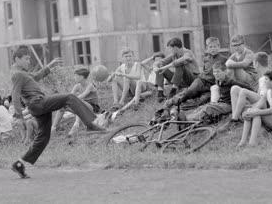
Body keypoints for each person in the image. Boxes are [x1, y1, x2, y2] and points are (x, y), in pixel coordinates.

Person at [9, 45, 105, 179]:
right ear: (17, 59)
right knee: (69, 97)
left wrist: (50, 66)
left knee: (43, 138)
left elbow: (36, 76)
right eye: (26, 59)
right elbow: (15, 94)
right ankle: (90, 124)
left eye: (29, 59)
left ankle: (19, 164)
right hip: (37, 103)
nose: (28, 61)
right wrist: (18, 116)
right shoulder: (18, 74)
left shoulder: (23, 73)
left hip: (38, 105)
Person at [179, 62, 252, 124]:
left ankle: (187, 120)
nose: (216, 74)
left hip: (228, 105)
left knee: (209, 108)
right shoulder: (218, 81)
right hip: (221, 102)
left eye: (218, 71)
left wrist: (252, 93)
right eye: (214, 72)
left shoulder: (230, 82)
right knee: (203, 107)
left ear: (225, 71)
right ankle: (185, 118)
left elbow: (246, 87)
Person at [164, 37, 228, 108]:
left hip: (211, 85)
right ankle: (171, 101)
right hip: (201, 81)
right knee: (189, 92)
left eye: (215, 46)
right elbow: (204, 71)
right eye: (210, 47)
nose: (213, 49)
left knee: (202, 100)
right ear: (207, 48)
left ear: (219, 47)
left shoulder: (224, 59)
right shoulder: (206, 58)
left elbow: (226, 74)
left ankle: (183, 106)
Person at [238, 70, 272, 147]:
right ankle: (242, 142)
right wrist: (248, 111)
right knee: (251, 112)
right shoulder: (268, 92)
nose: (264, 81)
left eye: (266, 79)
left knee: (256, 113)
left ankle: (252, 143)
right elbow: (258, 104)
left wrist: (255, 112)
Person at [52, 67, 102, 137]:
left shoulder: (90, 85)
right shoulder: (77, 86)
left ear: (81, 77)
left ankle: (76, 124)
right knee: (62, 107)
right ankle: (54, 127)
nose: (74, 77)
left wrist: (71, 101)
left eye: (76, 76)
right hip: (81, 107)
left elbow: (83, 95)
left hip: (92, 108)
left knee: (78, 101)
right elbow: (69, 97)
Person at [113, 52, 165, 116]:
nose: (157, 62)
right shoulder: (152, 69)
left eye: (159, 60)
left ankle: (134, 104)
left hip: (149, 87)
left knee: (139, 88)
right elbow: (142, 63)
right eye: (156, 60)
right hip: (141, 86)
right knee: (134, 84)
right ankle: (119, 103)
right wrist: (152, 57)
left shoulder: (163, 70)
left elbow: (163, 83)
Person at [230, 52, 269, 122]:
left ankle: (234, 119)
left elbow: (265, 97)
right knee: (234, 88)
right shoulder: (261, 77)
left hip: (265, 103)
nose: (253, 66)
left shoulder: (268, 77)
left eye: (253, 63)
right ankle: (236, 116)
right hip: (260, 99)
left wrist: (252, 105)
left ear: (256, 63)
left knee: (244, 91)